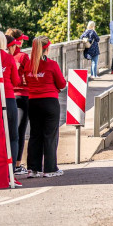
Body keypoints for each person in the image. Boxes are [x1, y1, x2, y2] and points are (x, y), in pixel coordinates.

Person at [24, 36, 67, 178]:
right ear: (47, 49)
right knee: (50, 135)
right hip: (49, 102)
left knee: (35, 135)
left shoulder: (28, 65)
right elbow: (61, 84)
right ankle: (50, 169)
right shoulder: (52, 65)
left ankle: (33, 169)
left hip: (33, 103)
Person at [5, 28, 30, 176]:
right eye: (21, 40)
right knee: (19, 132)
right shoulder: (22, 57)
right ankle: (17, 164)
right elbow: (28, 77)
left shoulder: (1, 55)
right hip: (21, 95)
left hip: (5, 96)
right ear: (17, 41)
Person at [0, 32, 21, 185]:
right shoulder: (8, 58)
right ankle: (10, 172)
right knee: (13, 136)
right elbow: (16, 81)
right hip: (9, 98)